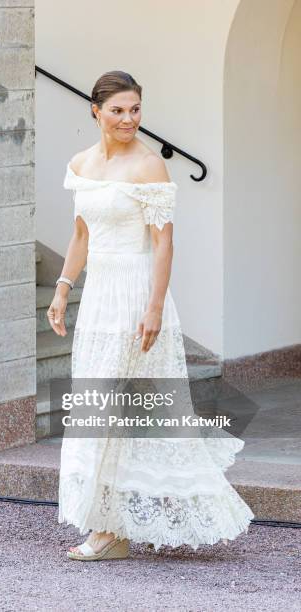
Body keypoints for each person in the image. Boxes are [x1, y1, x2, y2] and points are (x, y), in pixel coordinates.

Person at [46, 70, 254, 561]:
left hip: (138, 294)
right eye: (118, 110)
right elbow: (80, 236)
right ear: (95, 111)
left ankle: (110, 528)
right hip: (99, 297)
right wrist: (62, 288)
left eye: (135, 109)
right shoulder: (80, 164)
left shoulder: (148, 167)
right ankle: (109, 526)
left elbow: (164, 243)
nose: (128, 119)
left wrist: (155, 307)